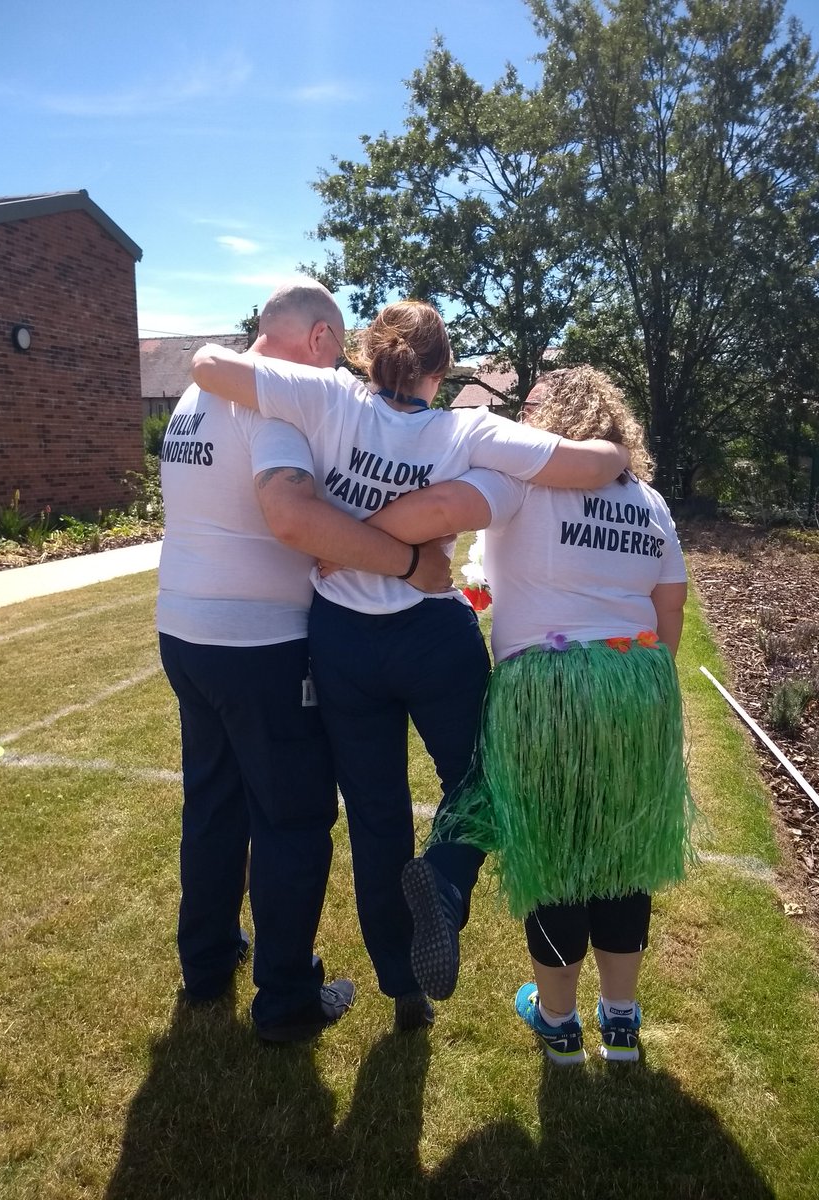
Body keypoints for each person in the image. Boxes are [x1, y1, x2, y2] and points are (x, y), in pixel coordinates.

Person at [190, 304, 631, 1028]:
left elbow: (208, 365)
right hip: (431, 632)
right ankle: (447, 887)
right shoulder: (467, 427)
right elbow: (584, 466)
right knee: (487, 776)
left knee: (376, 817)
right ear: (441, 370)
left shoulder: (327, 395)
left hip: (340, 640)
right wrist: (615, 452)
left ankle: (405, 988)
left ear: (369, 356)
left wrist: (346, 537)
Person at [365, 365, 693, 1064]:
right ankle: (624, 1022)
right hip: (636, 684)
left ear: (550, 426)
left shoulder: (524, 483)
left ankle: (560, 1022)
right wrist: (645, 699)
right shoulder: (652, 502)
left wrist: (356, 535)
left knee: (555, 858)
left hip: (545, 688)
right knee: (624, 855)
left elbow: (436, 512)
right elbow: (671, 614)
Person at [158, 280, 451, 1042]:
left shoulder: (195, 400)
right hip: (258, 646)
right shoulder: (276, 403)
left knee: (215, 804)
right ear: (319, 339)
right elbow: (290, 514)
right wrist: (405, 559)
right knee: (292, 820)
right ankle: (287, 998)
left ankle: (208, 959)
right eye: (341, 348)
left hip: (185, 633)